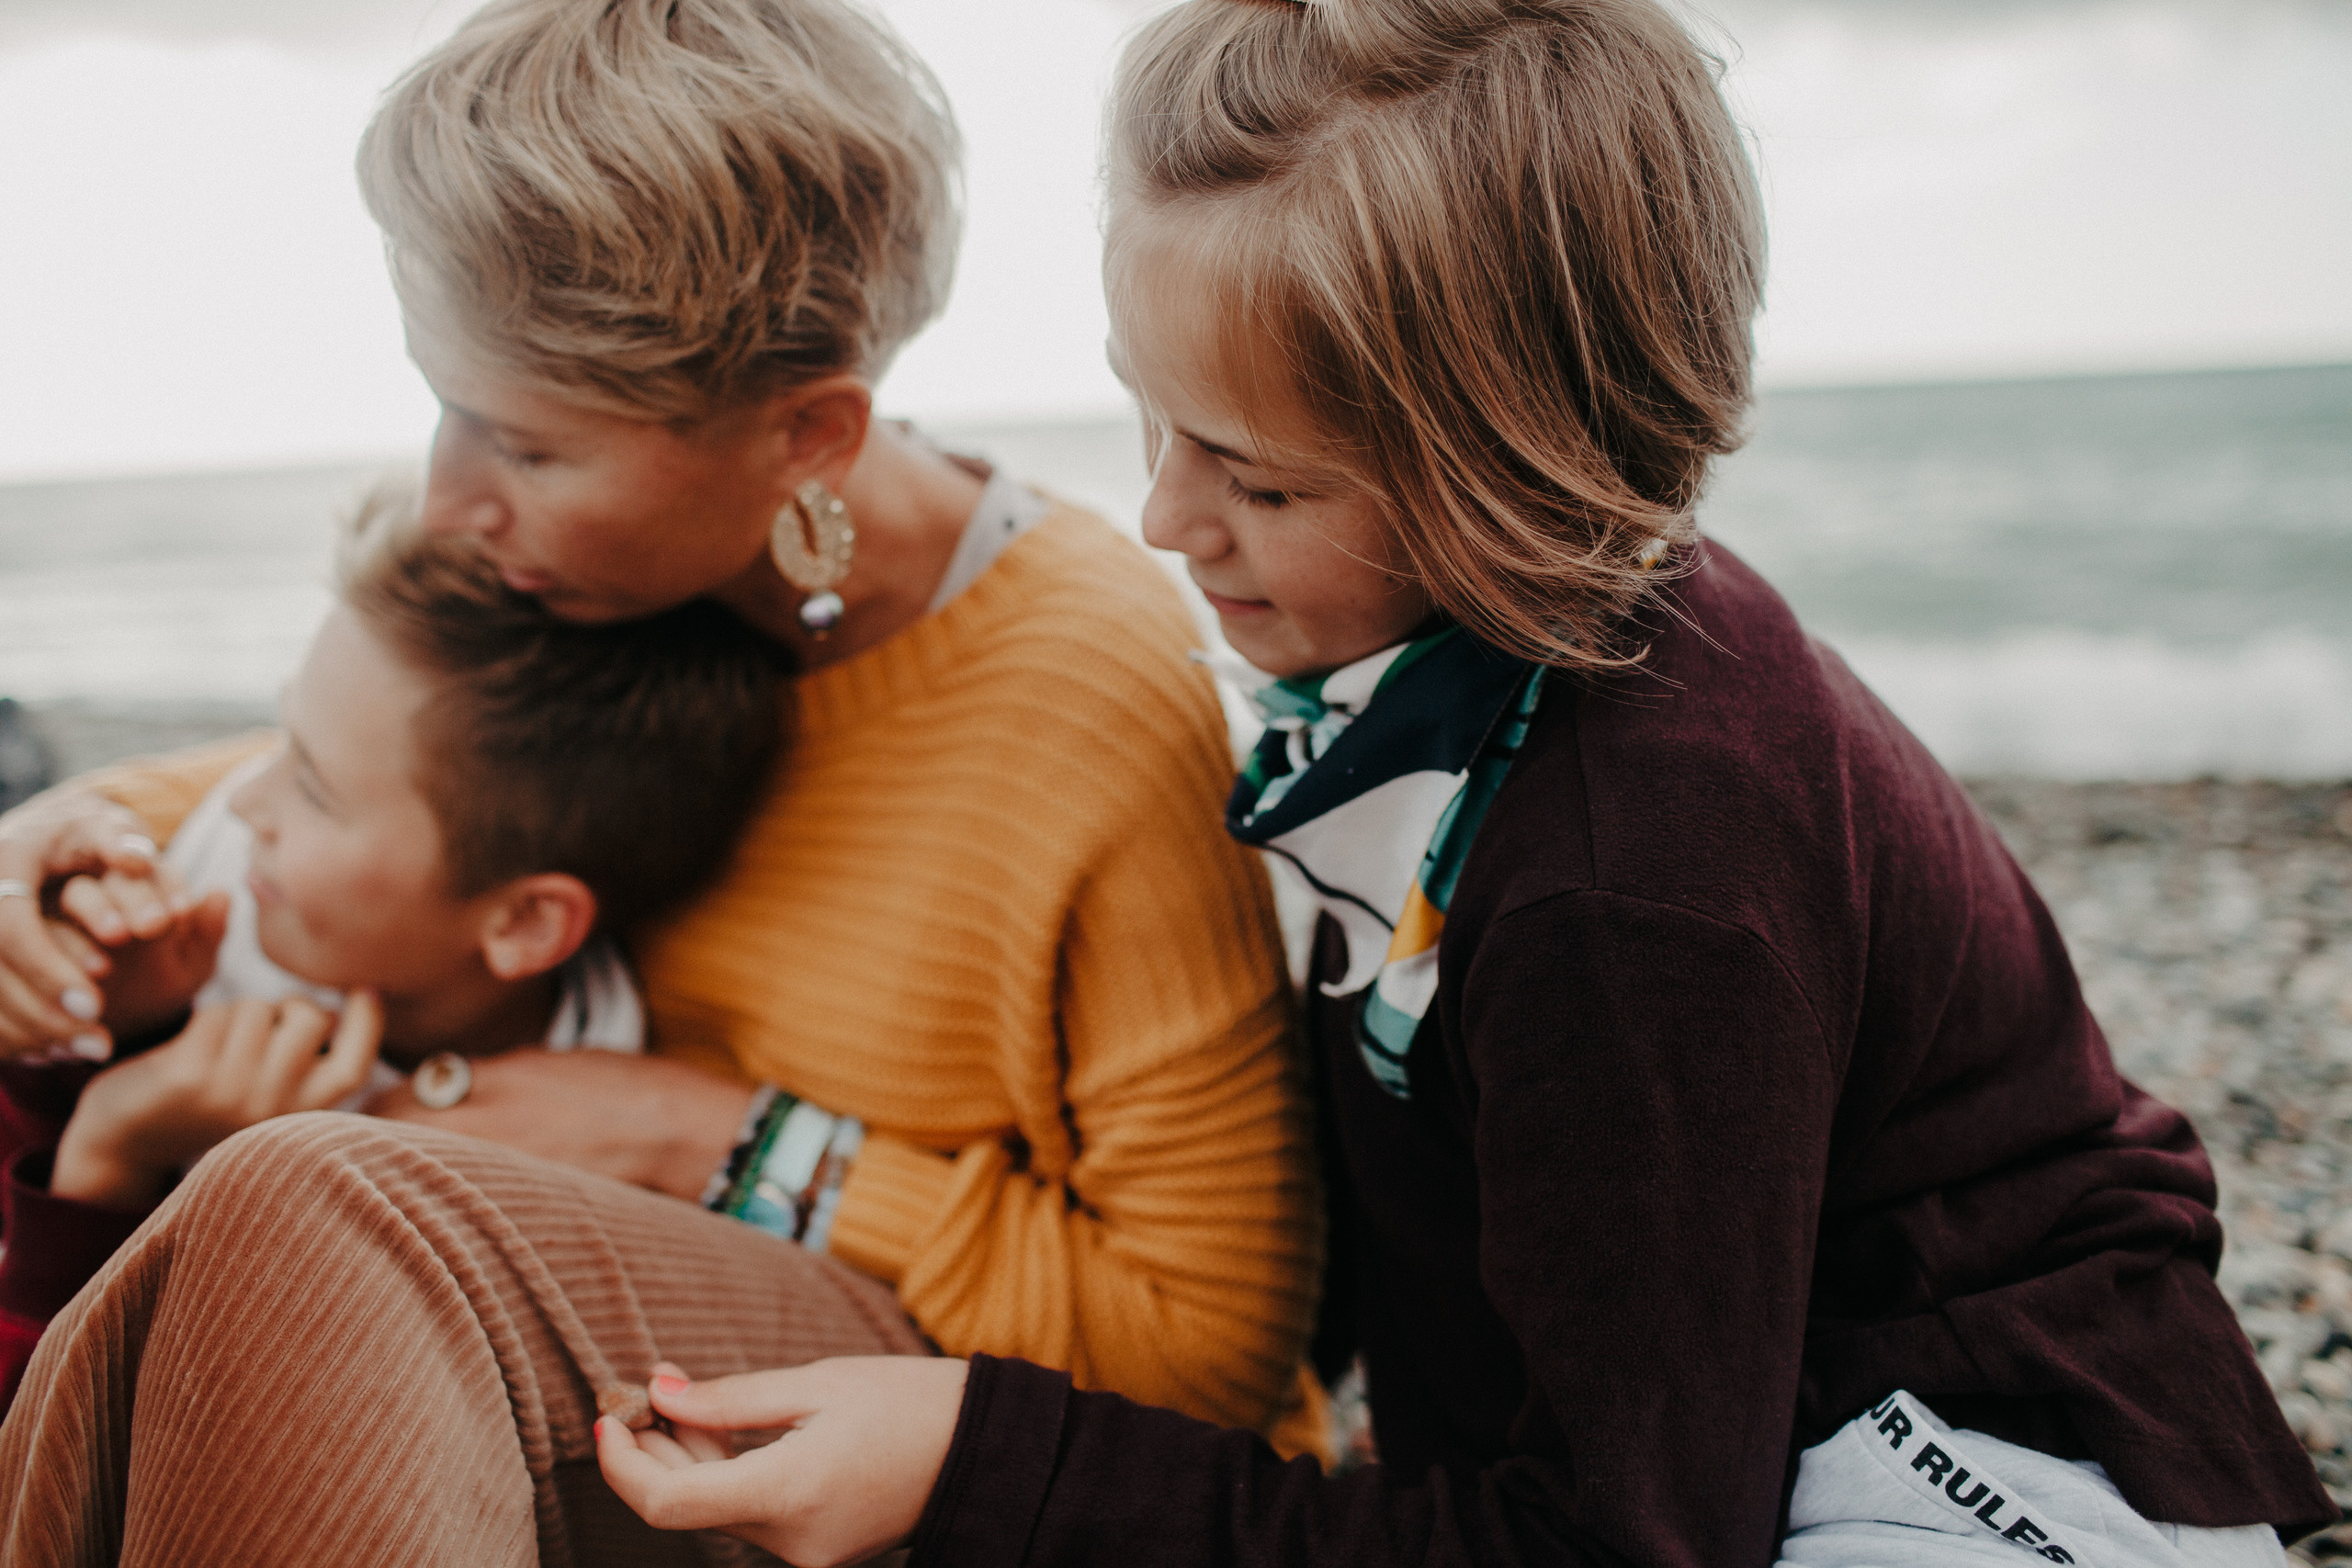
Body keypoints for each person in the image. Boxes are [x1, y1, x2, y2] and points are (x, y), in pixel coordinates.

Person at [583, 1, 2338, 1564]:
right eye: (1157, 420)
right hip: (1714, 1428)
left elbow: (1620, 1536)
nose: (1167, 520)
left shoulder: (1631, 878)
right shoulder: (1448, 686)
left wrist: (982, 1463)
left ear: (1513, 471)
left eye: (1257, 480)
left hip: (1994, 1460)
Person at [0, 0, 1322, 1560]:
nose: (448, 499)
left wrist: (703, 1137)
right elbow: (336, 770)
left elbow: (1207, 1341)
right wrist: (43, 846)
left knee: (310, 1208)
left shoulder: (1087, 701)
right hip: (577, 1355)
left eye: (527, 446)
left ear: (809, 435)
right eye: (445, 403)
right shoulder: (598, 576)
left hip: (895, 1416)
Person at [0, 490, 789, 1408]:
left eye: (314, 787)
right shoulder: (181, 907)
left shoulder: (578, 1158)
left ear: (525, 925)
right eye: (279, 737)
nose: (244, 800)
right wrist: (104, 1059)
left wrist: (114, 1151)